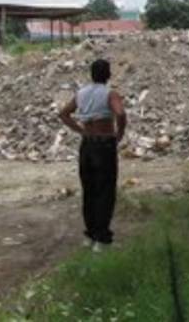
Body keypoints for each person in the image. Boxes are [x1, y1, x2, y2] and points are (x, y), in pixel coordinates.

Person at [58, 59, 126, 251]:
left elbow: (64, 114)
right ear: (108, 75)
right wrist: (119, 133)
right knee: (105, 190)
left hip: (87, 145)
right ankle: (102, 239)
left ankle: (90, 234)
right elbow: (120, 113)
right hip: (104, 145)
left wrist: (80, 130)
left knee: (89, 190)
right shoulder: (110, 93)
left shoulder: (81, 93)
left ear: (91, 74)